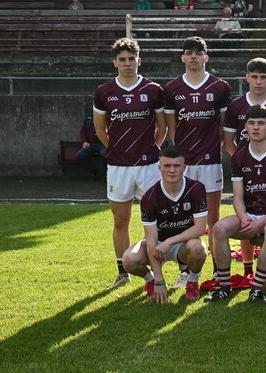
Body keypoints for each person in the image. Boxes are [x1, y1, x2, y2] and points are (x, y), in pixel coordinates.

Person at [93, 38, 167, 290]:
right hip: (118, 167)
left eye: (131, 58)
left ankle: (158, 271)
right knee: (120, 220)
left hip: (148, 166)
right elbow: (100, 129)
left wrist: (153, 150)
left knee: (156, 219)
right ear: (115, 62)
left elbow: (162, 126)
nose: (127, 63)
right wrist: (117, 149)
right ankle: (123, 272)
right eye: (122, 59)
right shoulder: (104, 92)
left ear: (139, 60)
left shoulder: (154, 89)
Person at [206, 105, 266, 303]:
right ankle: (224, 287)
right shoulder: (239, 156)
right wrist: (243, 217)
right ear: (245, 127)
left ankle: (257, 289)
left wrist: (261, 222)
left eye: (261, 123)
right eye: (252, 123)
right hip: (250, 215)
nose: (256, 128)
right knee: (219, 228)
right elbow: (237, 197)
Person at [162, 36, 232, 280]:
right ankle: (186, 270)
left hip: (211, 162)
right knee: (184, 217)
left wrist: (211, 148)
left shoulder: (220, 87)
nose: (193, 56)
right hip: (185, 165)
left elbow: (224, 127)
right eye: (189, 52)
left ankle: (217, 269)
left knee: (213, 217)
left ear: (206, 57)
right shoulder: (172, 89)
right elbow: (172, 129)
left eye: (198, 52)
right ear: (182, 57)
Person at [121, 146, 208, 302]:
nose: (172, 170)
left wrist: (170, 241)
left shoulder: (196, 189)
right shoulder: (149, 197)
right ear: (159, 168)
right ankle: (151, 280)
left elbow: (201, 228)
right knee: (128, 259)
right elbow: (151, 240)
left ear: (184, 167)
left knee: (198, 248)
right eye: (167, 166)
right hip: (157, 245)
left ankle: (192, 281)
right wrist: (159, 280)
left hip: (182, 244)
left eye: (176, 166)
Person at [222, 57, 266, 158]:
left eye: (263, 77)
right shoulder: (236, 105)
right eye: (254, 77)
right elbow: (228, 143)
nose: (258, 82)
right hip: (245, 170)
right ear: (247, 78)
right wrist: (243, 161)